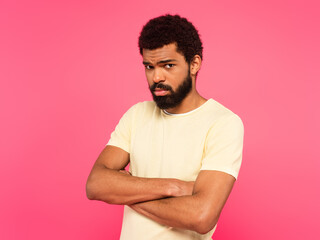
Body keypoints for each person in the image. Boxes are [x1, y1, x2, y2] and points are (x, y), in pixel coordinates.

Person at [86, 14, 244, 240]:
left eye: (167, 65)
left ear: (194, 64)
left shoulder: (223, 123)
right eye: (149, 66)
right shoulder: (137, 115)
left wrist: (126, 191)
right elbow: (96, 184)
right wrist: (175, 188)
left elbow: (202, 216)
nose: (156, 76)